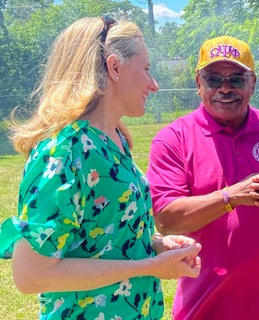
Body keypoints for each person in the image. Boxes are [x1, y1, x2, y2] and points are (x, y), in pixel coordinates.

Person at [0, 16, 202, 319]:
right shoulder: (65, 149)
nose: (154, 84)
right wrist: (149, 267)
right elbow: (31, 275)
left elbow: (100, 236)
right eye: (146, 69)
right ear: (114, 67)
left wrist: (156, 244)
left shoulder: (115, 139)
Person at [146, 36, 259, 320]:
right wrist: (229, 197)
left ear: (253, 84)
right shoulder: (174, 139)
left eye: (236, 79)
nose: (225, 88)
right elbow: (167, 220)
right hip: (205, 307)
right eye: (213, 79)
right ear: (198, 83)